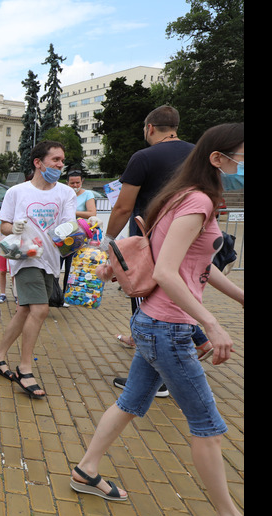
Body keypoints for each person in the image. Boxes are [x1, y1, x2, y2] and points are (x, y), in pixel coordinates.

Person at [70, 123, 244, 516]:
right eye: (241, 155)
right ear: (217, 159)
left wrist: (240, 298)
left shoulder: (183, 196)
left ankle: (86, 471)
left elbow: (197, 265)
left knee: (131, 401)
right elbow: (167, 271)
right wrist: (213, 323)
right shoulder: (197, 200)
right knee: (207, 425)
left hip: (154, 323)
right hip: (166, 328)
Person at [105, 106, 212, 394]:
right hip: (191, 241)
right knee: (178, 301)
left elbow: (124, 206)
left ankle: (164, 378)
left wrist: (109, 239)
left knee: (148, 309)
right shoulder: (198, 154)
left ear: (150, 128)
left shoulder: (143, 157)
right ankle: (150, 377)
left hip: (149, 248)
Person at [0, 141, 75, 398]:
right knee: (40, 309)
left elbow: (68, 227)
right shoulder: (17, 192)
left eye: (62, 160)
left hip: (50, 259)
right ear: (38, 162)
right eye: (55, 160)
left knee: (25, 310)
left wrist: (82, 229)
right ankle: (25, 369)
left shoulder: (66, 193)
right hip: (25, 258)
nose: (60, 165)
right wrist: (13, 227)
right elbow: (3, 226)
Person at [60, 170, 97, 297]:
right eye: (72, 183)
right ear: (67, 183)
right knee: (56, 266)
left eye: (77, 182)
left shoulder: (88, 194)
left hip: (78, 237)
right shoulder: (62, 193)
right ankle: (53, 294)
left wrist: (72, 212)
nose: (75, 185)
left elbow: (92, 213)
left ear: (82, 182)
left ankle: (67, 294)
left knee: (72, 268)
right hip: (61, 235)